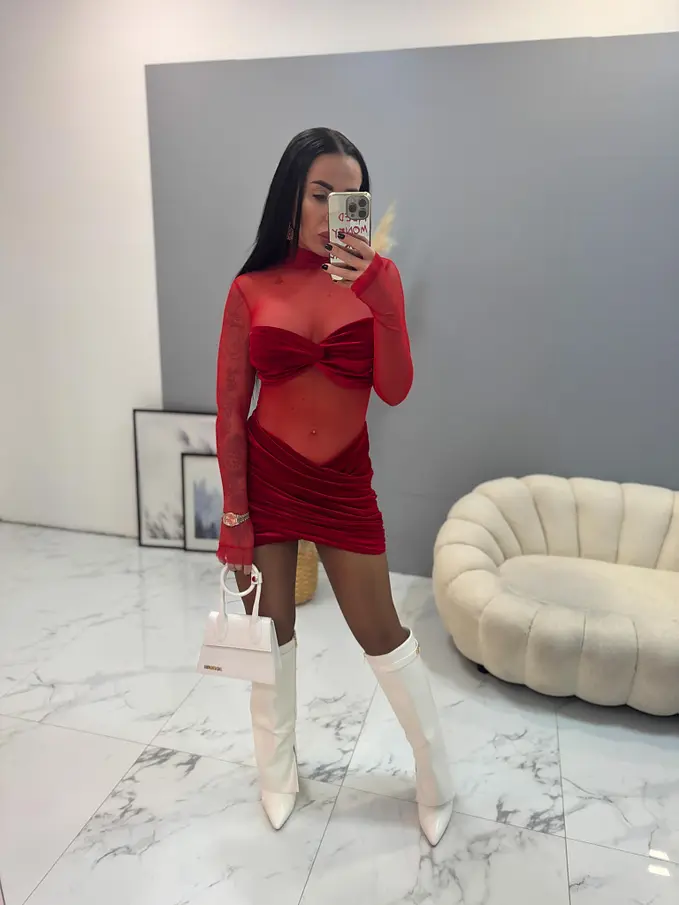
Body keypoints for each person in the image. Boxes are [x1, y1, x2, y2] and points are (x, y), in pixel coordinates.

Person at [215, 127, 452, 846]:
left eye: (350, 198)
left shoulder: (379, 279)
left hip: (345, 481)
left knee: (383, 633)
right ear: (291, 196)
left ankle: (436, 773)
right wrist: (235, 516)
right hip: (268, 476)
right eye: (320, 194)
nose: (332, 212)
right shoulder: (251, 288)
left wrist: (378, 291)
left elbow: (396, 388)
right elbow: (229, 409)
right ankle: (276, 774)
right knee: (272, 634)